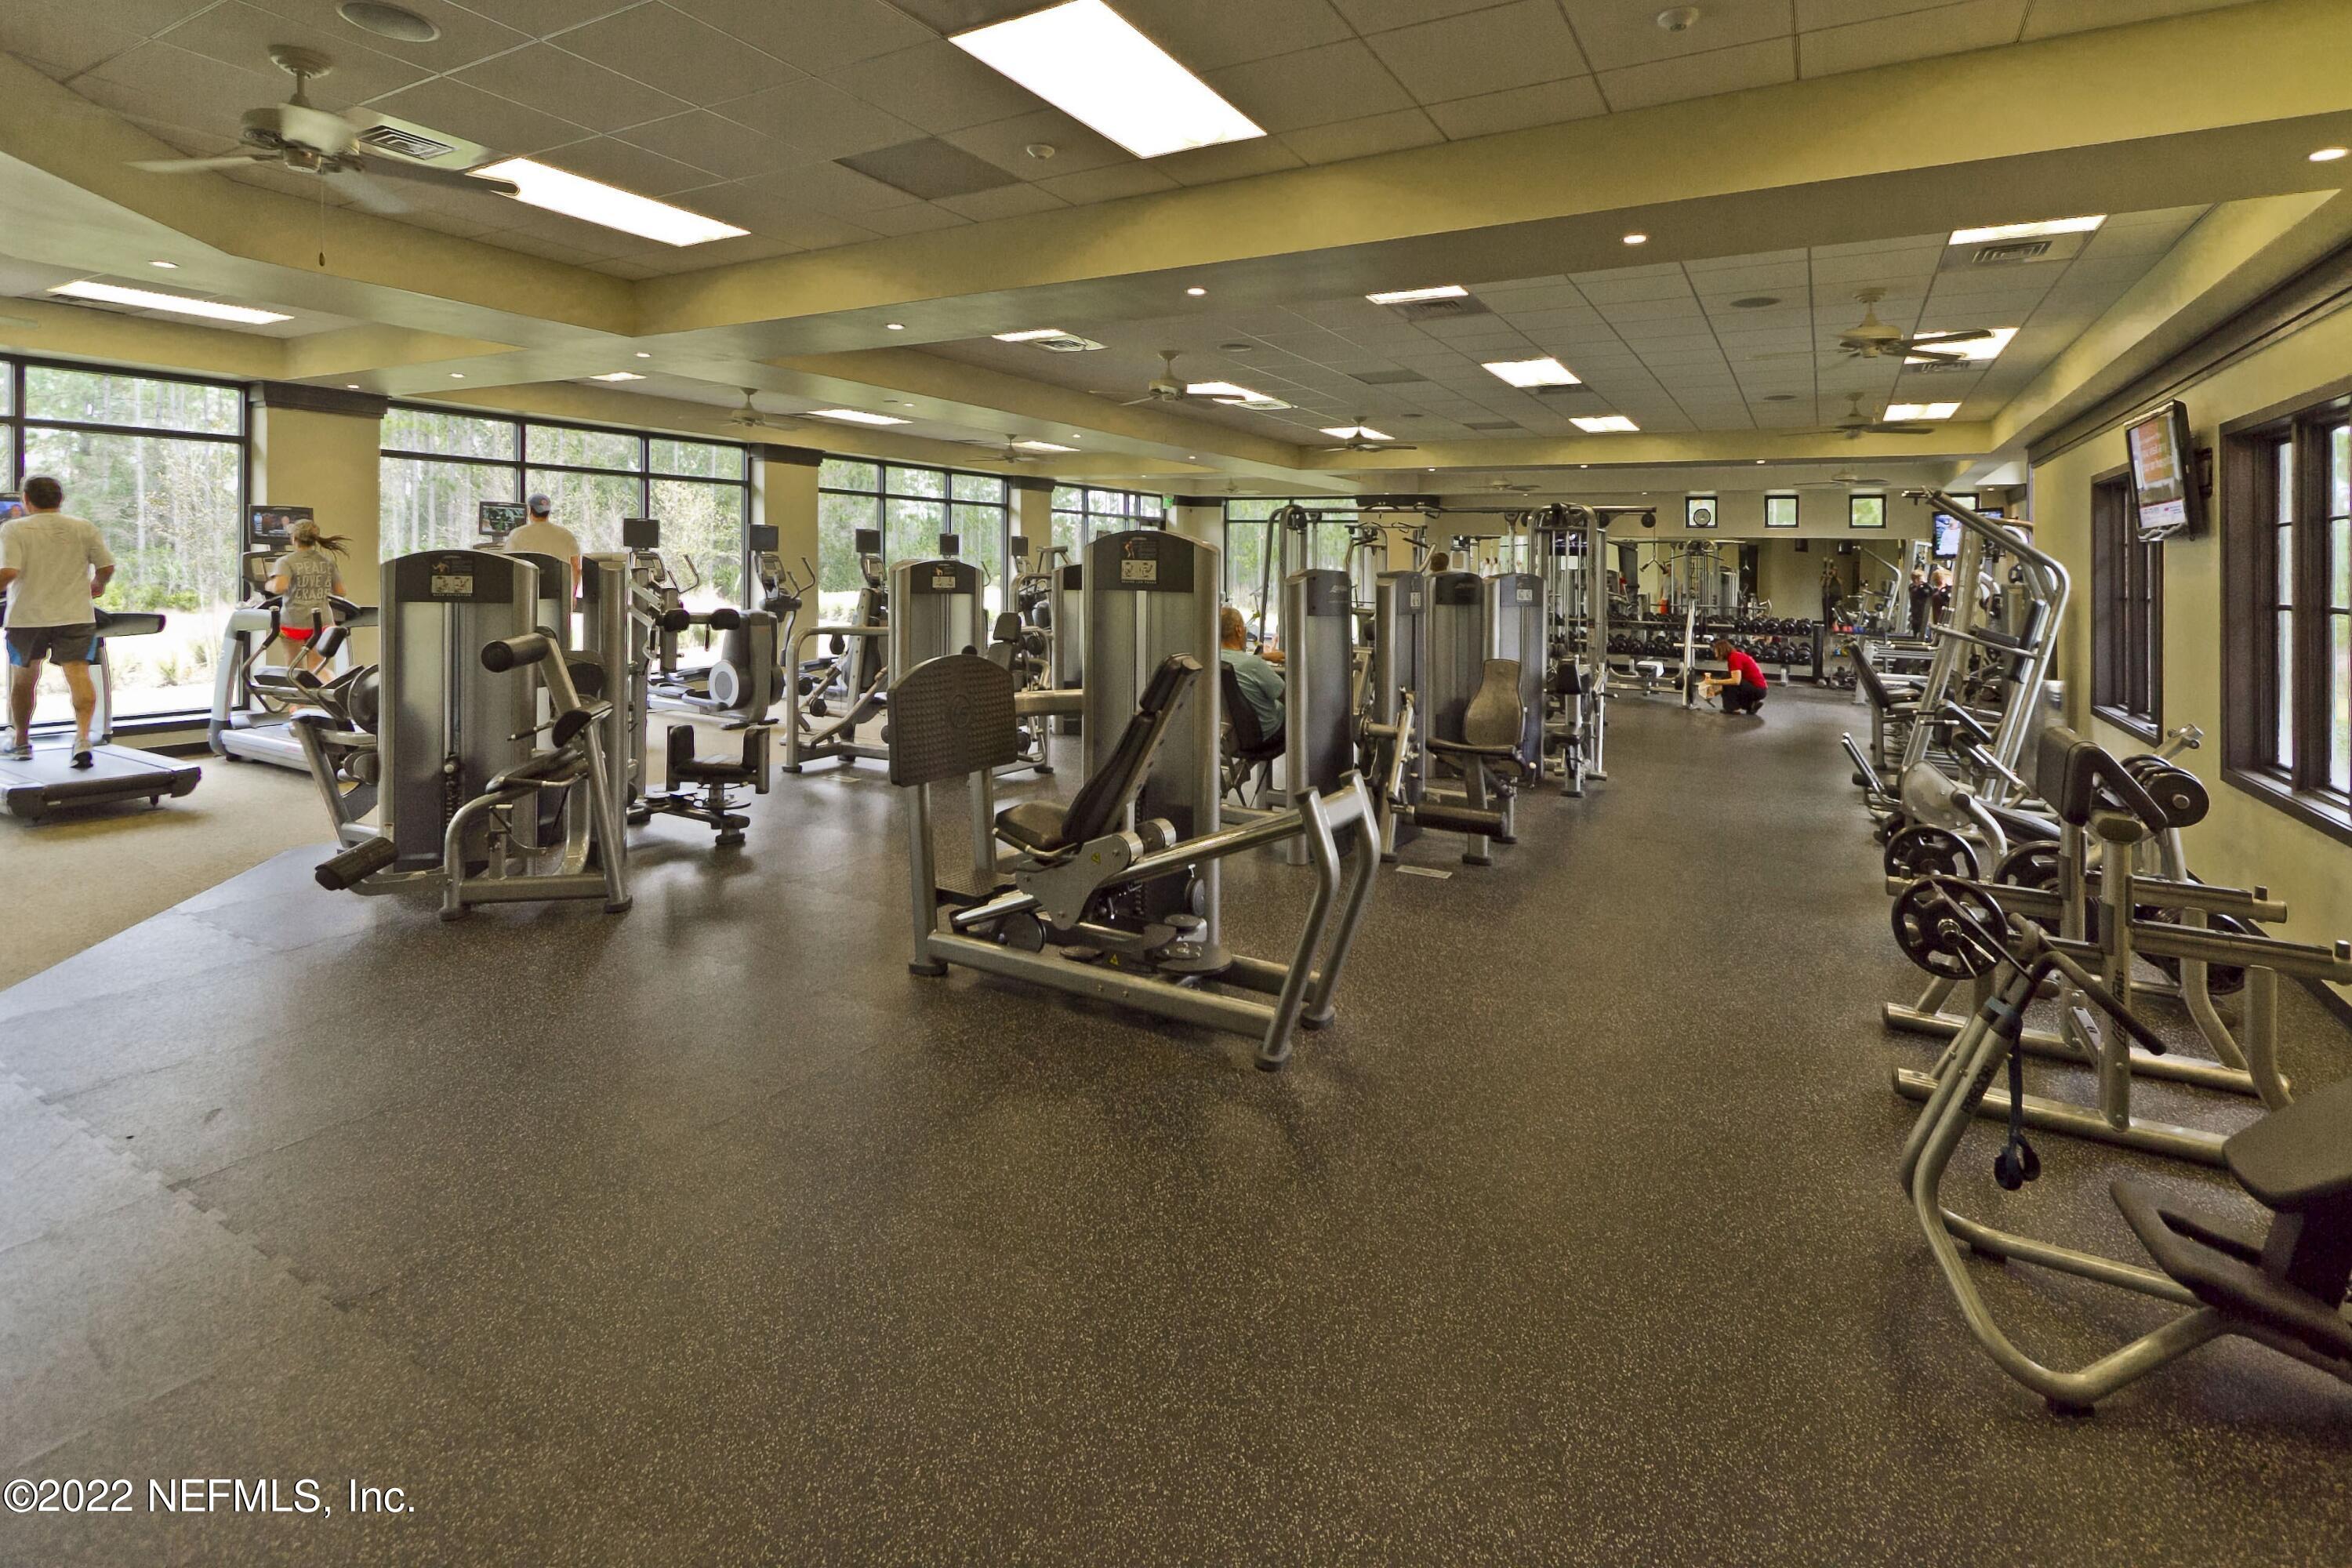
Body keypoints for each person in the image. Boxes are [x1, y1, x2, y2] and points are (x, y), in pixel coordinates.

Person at [1, 475, 115, 768]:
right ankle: (83, 740)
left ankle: (22, 741)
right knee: (78, 674)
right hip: (75, 615)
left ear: (26, 501)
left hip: (28, 618)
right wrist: (98, 584)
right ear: (60, 500)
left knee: (25, 678)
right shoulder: (83, 527)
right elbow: (106, 566)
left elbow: (9, 572)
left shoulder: (14, 528)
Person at [265, 518, 352, 677]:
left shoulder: (286, 561)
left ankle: (296, 703)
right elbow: (341, 591)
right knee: (317, 667)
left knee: (294, 667)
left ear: (294, 539)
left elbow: (279, 587)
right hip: (322, 623)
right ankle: (329, 697)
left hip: (293, 623)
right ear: (315, 540)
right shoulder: (327, 562)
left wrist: (267, 585)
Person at [1218, 604, 1285, 740]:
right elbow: (1287, 695)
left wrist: (1263, 656)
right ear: (1239, 630)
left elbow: (1237, 661)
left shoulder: (1212, 661)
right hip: (1266, 735)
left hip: (1228, 737)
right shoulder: (1254, 665)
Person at [504, 493, 582, 586]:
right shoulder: (567, 535)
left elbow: (507, 565)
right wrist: (571, 596)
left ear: (529, 511)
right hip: (560, 595)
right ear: (548, 512)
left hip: (528, 594)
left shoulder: (517, 534)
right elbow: (576, 568)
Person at [1697, 636, 1766, 718]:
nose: (1715, 655)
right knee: (1727, 678)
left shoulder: (1734, 658)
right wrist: (1713, 694)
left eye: (1716, 652)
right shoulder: (1735, 656)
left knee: (1727, 677)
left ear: (1722, 651)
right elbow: (1731, 684)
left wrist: (1713, 681)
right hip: (1757, 689)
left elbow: (1736, 681)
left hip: (1758, 689)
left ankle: (1733, 709)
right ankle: (1750, 705)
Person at [1907, 567, 1933, 637]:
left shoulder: (1916, 589)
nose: (1925, 582)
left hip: (1921, 616)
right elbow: (1925, 592)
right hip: (1919, 618)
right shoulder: (1915, 589)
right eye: (1922, 580)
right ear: (1916, 580)